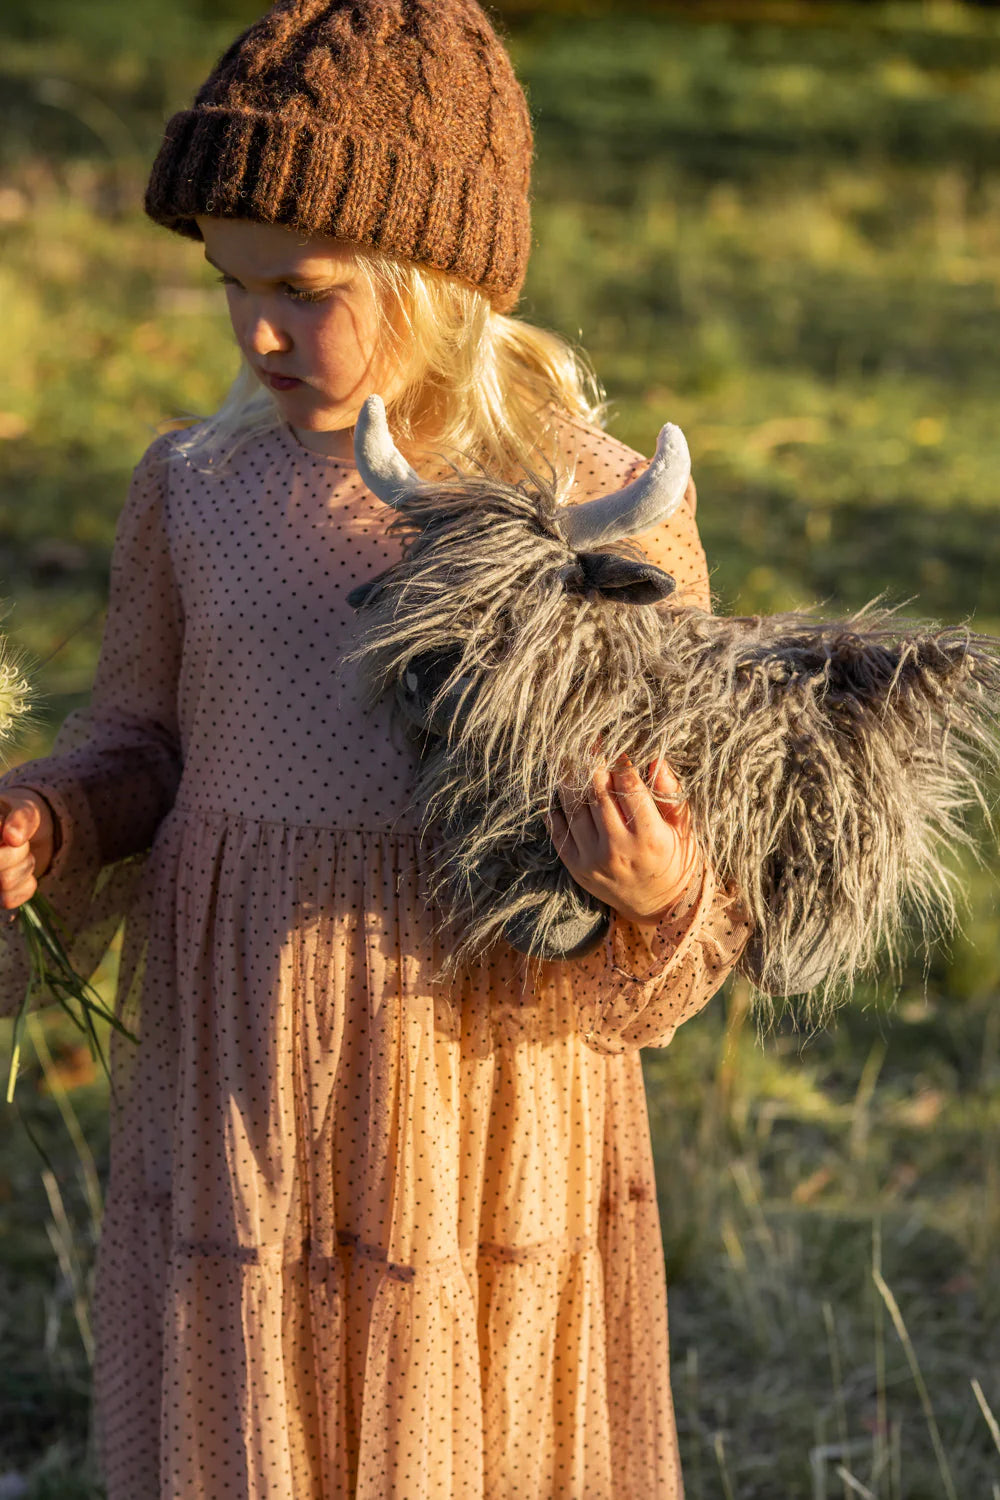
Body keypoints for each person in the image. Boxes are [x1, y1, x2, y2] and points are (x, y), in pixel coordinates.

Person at [0, 2, 751, 1495]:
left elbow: (694, 844)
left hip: (478, 1079)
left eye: (306, 287)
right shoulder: (196, 488)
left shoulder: (590, 508)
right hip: (244, 1077)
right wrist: (57, 821)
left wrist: (656, 888)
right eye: (231, 284)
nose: (259, 329)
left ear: (444, 275)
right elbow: (144, 736)